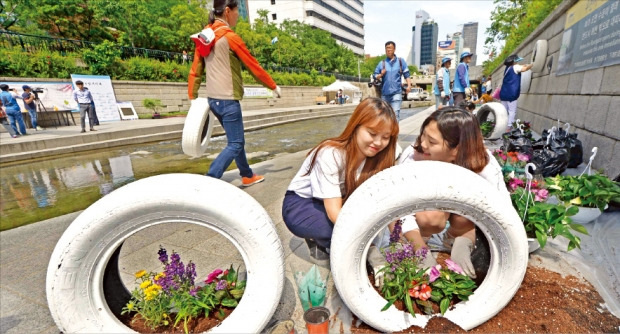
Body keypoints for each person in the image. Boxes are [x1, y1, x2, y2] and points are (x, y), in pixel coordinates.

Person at [394, 107, 510, 278]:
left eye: (432, 142)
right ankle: (422, 238)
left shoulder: (483, 163)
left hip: (462, 216)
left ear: (456, 149)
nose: (422, 144)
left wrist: (467, 239)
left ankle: (456, 239)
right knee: (430, 217)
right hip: (426, 216)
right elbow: (398, 208)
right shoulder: (413, 156)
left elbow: (503, 211)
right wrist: (419, 247)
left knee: (471, 207)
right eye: (422, 135)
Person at [282, 97, 399, 261]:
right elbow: (334, 212)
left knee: (371, 227)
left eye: (386, 137)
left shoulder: (380, 158)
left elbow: (389, 204)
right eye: (372, 133)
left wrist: (400, 239)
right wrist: (369, 249)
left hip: (339, 200)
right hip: (302, 203)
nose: (378, 142)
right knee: (338, 232)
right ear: (355, 127)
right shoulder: (330, 153)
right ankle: (319, 239)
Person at [188, 0, 282, 187]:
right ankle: (210, 180)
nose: (238, 15)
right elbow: (253, 66)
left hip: (213, 100)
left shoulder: (205, 35)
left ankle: (246, 175)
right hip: (228, 100)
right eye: (237, 11)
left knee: (235, 139)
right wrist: (273, 86)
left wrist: (193, 95)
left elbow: (195, 69)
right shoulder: (230, 37)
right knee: (236, 143)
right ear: (228, 11)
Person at [373, 41, 412, 121]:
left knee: (395, 115)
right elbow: (375, 75)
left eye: (390, 48)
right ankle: (388, 133)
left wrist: (409, 85)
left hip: (396, 93)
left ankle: (394, 133)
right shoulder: (382, 63)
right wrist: (380, 75)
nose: (388, 50)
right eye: (386, 48)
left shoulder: (401, 61)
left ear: (394, 49)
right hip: (385, 94)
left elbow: (406, 74)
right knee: (385, 117)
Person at [500, 54, 533, 130]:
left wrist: (523, 65)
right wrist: (532, 65)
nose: (518, 62)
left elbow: (518, 67)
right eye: (517, 61)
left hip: (504, 94)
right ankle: (509, 126)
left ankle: (502, 125)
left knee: (504, 111)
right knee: (512, 111)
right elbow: (524, 69)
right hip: (512, 94)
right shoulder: (516, 67)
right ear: (514, 61)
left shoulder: (507, 68)